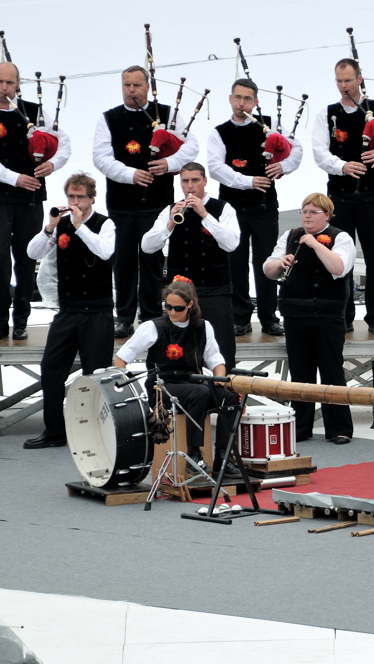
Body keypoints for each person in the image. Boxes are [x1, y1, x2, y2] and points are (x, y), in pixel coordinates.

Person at [93, 65, 199, 338]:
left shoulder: (167, 114)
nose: (131, 90)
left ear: (147, 86)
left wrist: (168, 163)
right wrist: (130, 175)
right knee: (124, 262)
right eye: (126, 85)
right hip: (122, 203)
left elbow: (191, 146)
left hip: (157, 202)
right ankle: (125, 316)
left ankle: (152, 314)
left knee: (152, 261)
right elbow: (101, 158)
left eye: (136, 85)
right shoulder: (109, 118)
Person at [312, 58, 374, 336]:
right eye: (339, 81)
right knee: (341, 256)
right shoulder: (327, 113)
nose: (344, 86)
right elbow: (320, 153)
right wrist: (342, 166)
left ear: (360, 79)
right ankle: (344, 315)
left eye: (348, 80)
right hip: (340, 197)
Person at [114, 278, 240, 477]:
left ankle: (223, 458)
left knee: (231, 398)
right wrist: (128, 391)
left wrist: (219, 378)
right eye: (168, 307)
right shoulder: (152, 327)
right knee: (200, 392)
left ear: (190, 305)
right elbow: (121, 358)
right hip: (162, 387)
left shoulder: (203, 327)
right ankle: (193, 454)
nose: (172, 312)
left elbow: (216, 360)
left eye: (178, 308)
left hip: (192, 383)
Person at [23, 174, 114, 449]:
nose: (75, 202)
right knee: (50, 370)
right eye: (71, 197)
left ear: (91, 199)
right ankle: (54, 431)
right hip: (68, 310)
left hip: (97, 312)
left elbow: (106, 252)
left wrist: (79, 226)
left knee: (95, 375)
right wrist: (49, 227)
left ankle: (97, 433)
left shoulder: (105, 224)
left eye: (80, 197)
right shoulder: (60, 224)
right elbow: (31, 252)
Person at [208, 78, 303, 338]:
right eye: (237, 97)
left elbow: (295, 149)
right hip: (232, 208)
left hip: (264, 207)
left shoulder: (268, 127)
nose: (241, 103)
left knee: (268, 262)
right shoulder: (220, 132)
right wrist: (248, 182)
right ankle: (240, 317)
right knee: (235, 263)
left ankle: (269, 317)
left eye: (247, 99)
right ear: (230, 99)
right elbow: (216, 168)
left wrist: (283, 166)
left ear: (256, 101)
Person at [263, 193, 355, 444]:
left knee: (331, 373)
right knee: (301, 374)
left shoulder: (340, 237)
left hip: (327, 314)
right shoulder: (290, 236)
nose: (307, 216)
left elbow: (339, 268)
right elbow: (268, 270)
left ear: (327, 214)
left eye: (313, 212)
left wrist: (315, 244)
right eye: (304, 211)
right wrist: (279, 263)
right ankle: (301, 428)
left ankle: (339, 429)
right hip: (296, 313)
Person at [141, 162, 239, 372]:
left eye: (195, 180)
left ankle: (223, 400)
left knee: (223, 354)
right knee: (177, 354)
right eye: (185, 181)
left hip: (215, 292)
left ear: (205, 181)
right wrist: (169, 224)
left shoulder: (223, 208)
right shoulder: (170, 210)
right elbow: (147, 246)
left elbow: (231, 243)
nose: (190, 186)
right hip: (180, 296)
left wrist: (205, 215)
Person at [0, 61, 71, 339]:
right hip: (1, 198)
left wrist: (53, 165)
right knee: (0, 262)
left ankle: (21, 320)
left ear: (18, 84)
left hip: (30, 199)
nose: (4, 88)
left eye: (9, 82)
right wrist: (15, 178)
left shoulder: (33, 111)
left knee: (27, 258)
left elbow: (62, 144)